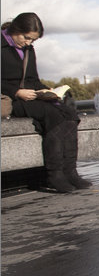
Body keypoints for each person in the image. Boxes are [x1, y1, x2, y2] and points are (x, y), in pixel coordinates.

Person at [0, 12, 92, 193]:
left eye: (32, 41)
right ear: (15, 29)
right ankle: (55, 175)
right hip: (10, 98)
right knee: (52, 115)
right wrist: (17, 92)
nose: (28, 43)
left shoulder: (28, 50)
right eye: (26, 38)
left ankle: (70, 171)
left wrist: (47, 91)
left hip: (30, 96)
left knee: (69, 114)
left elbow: (33, 79)